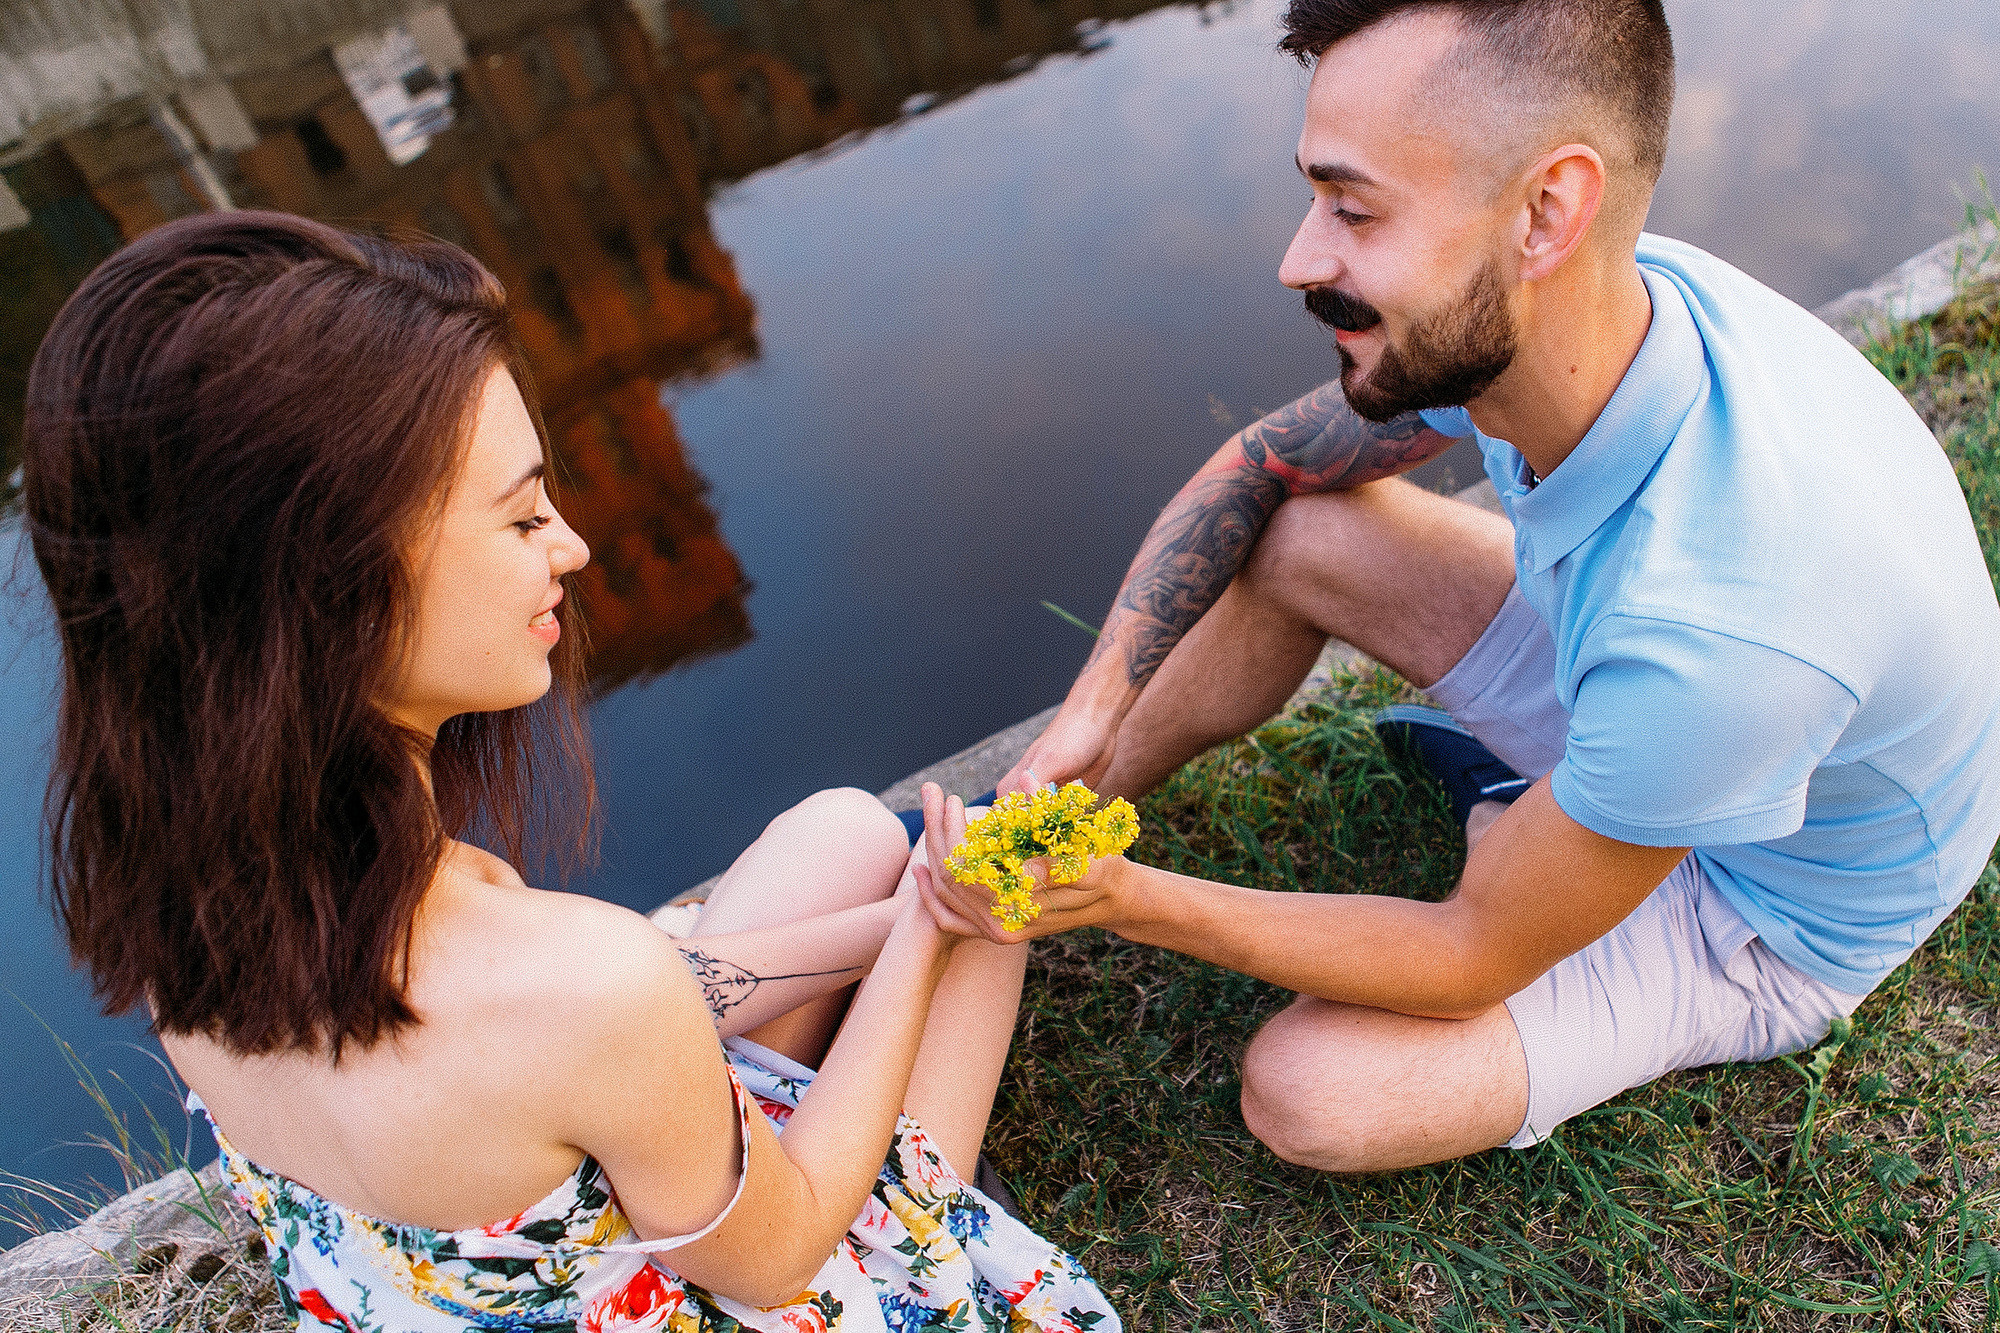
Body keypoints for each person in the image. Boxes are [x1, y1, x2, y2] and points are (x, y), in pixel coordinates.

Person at [927, 0, 2000, 1171]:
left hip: (1763, 900)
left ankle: (1532, 817)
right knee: (1305, 529)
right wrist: (1095, 707)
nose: (1298, 260)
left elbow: (1467, 958)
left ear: (1545, 212)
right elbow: (1265, 461)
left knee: (1310, 1092)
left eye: (1353, 210)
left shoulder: (1724, 636)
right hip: (1664, 710)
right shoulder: (1592, 306)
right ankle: (1017, 829)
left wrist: (1129, 898)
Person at [22, 212, 1120, 1332]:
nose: (573, 546)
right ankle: (949, 1205)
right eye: (521, 516)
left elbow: (614, 1017)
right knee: (993, 925)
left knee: (851, 833)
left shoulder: (194, 928)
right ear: (336, 589)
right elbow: (778, 1256)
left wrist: (907, 902)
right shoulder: (575, 981)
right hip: (762, 1271)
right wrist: (932, 934)